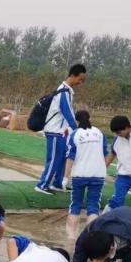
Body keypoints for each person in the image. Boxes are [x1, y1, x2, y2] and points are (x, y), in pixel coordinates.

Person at [35, 64, 87, 193]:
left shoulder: (67, 91)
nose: (80, 82)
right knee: (54, 159)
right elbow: (68, 113)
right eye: (80, 79)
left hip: (62, 132)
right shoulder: (63, 91)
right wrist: (77, 129)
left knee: (63, 157)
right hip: (54, 131)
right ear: (72, 76)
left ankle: (57, 183)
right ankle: (42, 185)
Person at [64, 110, 109, 239]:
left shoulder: (75, 134)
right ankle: (90, 237)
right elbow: (105, 154)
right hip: (98, 174)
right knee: (93, 206)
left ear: (76, 121)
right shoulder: (100, 133)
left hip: (80, 174)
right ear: (90, 118)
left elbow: (70, 157)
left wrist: (65, 177)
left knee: (75, 205)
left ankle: (71, 237)